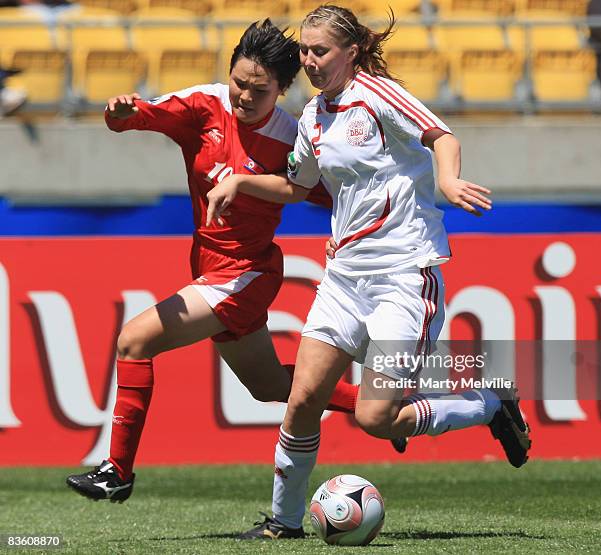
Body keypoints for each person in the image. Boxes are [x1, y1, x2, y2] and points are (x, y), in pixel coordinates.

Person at [206, 5, 532, 540]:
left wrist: (448, 181)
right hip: (343, 279)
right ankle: (283, 523)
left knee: (376, 420)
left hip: (404, 276)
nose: (309, 61)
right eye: (305, 51)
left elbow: (440, 135)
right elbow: (296, 187)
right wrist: (242, 183)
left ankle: (490, 404)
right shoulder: (313, 117)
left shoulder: (378, 95)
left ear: (351, 52)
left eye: (321, 51)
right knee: (304, 397)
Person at [65, 19, 366, 504]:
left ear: (282, 89)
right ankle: (388, 408)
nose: (244, 95)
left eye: (259, 89)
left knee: (134, 340)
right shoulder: (205, 105)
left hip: (246, 274)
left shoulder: (296, 137)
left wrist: (356, 237)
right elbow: (136, 117)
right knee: (269, 387)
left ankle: (117, 470)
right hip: (210, 270)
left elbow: (333, 194)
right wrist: (119, 114)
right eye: (239, 82)